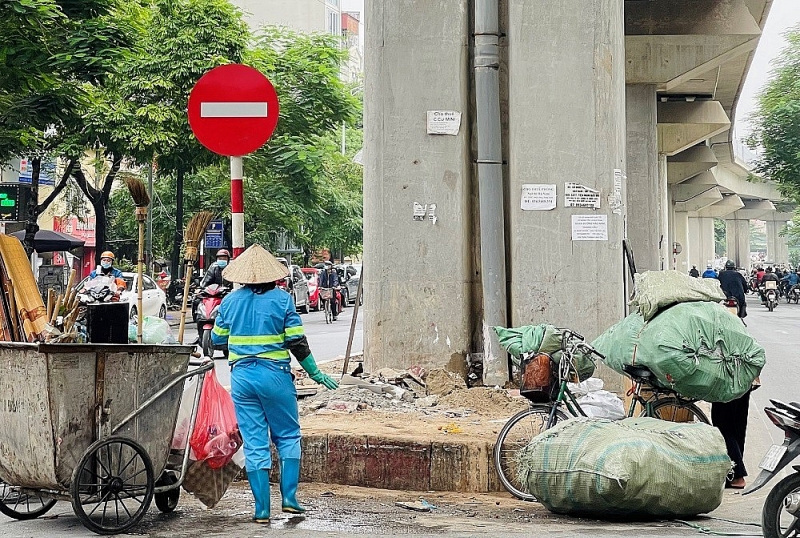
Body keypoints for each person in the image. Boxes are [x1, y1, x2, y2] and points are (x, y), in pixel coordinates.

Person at [211, 244, 338, 524]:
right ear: (274, 277)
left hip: (242, 378)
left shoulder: (230, 302)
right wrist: (316, 373)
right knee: (288, 435)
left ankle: (261, 510)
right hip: (275, 376)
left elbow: (217, 340)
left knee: (255, 442)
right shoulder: (283, 300)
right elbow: (297, 343)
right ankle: (290, 499)